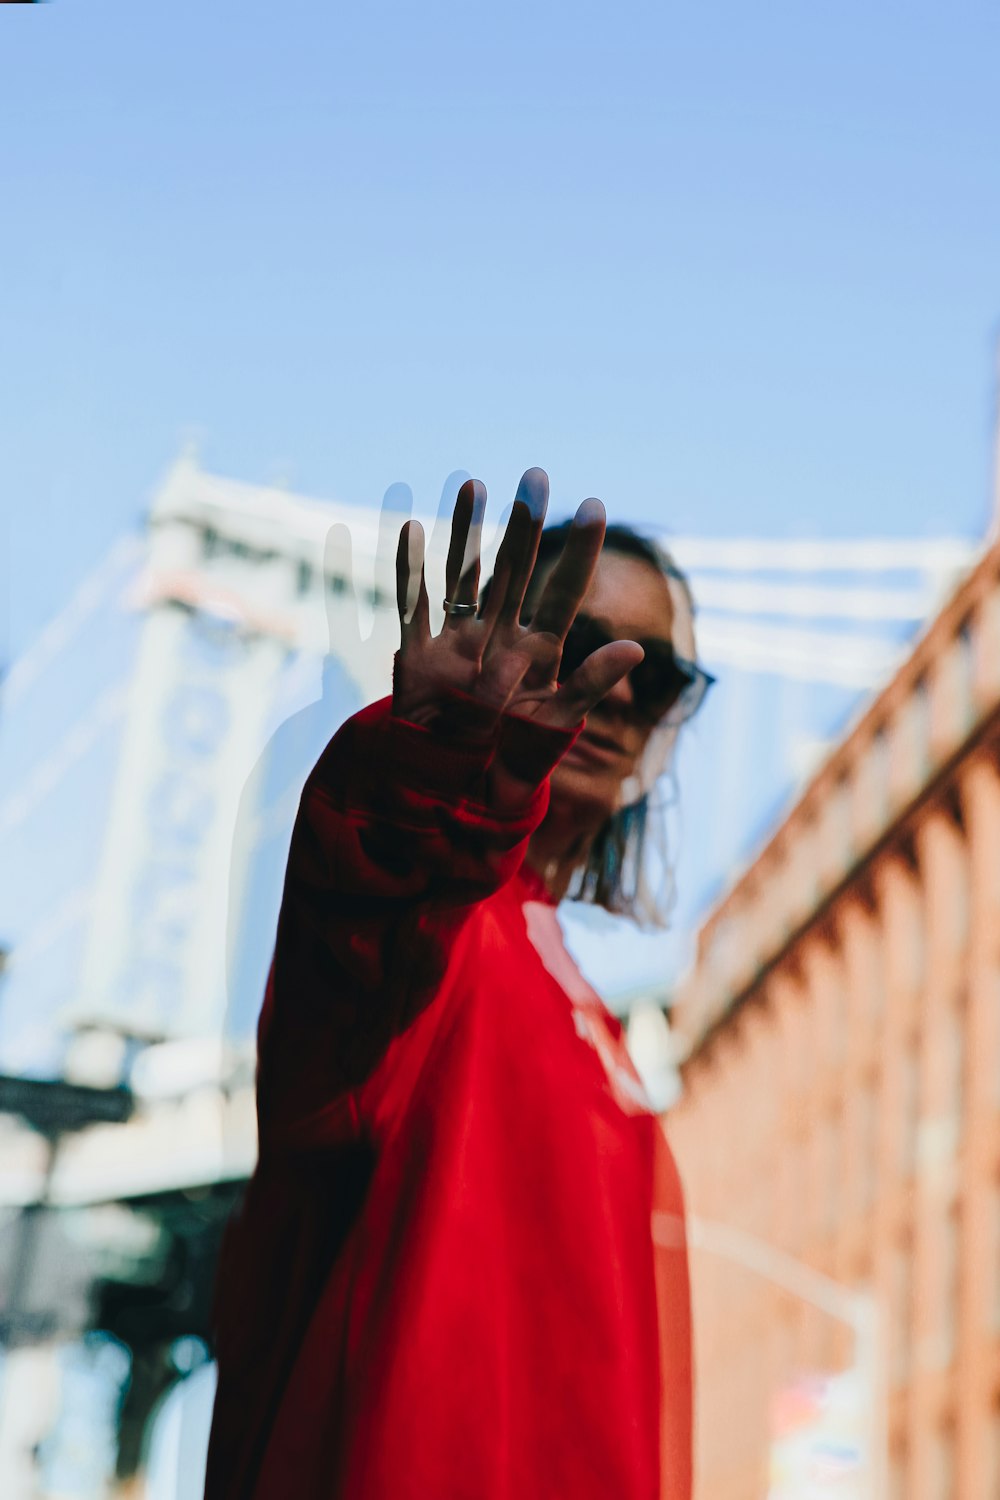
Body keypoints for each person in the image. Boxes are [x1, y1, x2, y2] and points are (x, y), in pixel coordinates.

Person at [204, 468, 713, 1500]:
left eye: (655, 677)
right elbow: (368, 903)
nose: (613, 688)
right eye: (571, 645)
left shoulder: (585, 1013)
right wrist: (428, 763)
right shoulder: (435, 917)